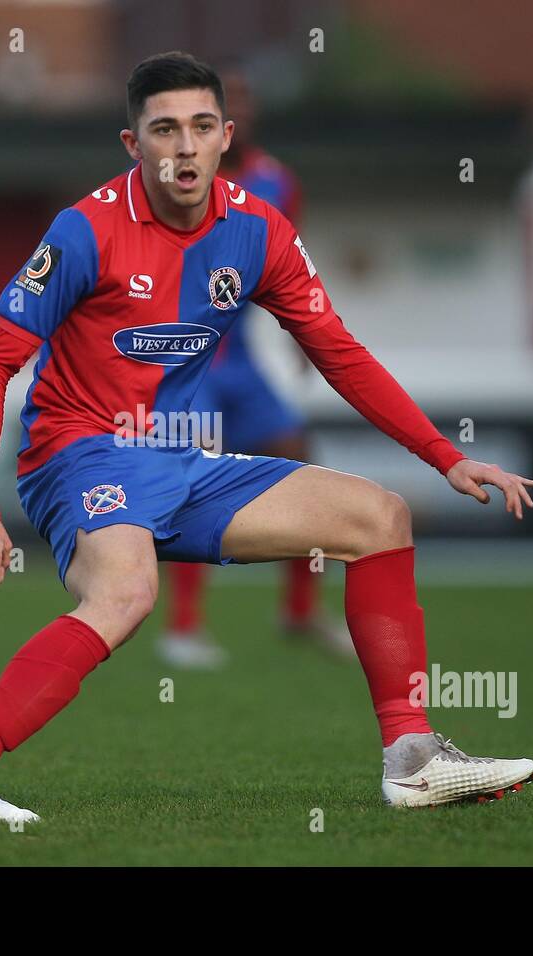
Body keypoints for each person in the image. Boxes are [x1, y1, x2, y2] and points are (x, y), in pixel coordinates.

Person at [0, 52, 533, 822]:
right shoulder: (83, 232)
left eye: (201, 127)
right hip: (79, 452)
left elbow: (337, 352)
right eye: (163, 129)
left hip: (181, 452)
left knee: (380, 519)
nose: (184, 147)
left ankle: (412, 762)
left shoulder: (258, 229)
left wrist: (445, 456)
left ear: (225, 135)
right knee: (127, 592)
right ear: (131, 143)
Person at [160, 67, 353, 669]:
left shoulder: (275, 182)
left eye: (240, 103)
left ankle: (299, 609)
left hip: (240, 356)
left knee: (299, 457)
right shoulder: (179, 176)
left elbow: (288, 263)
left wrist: (303, 331)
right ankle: (184, 628)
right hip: (186, 359)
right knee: (192, 481)